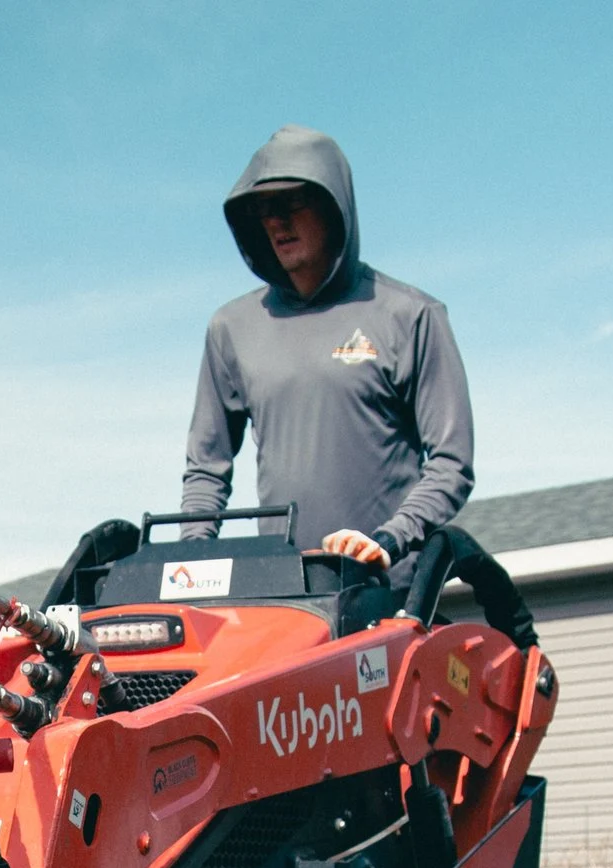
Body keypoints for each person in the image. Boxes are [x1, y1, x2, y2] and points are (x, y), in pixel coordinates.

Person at [179, 126, 535, 645]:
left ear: (334, 208)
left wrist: (389, 539)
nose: (277, 221)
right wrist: (192, 559)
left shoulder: (410, 316)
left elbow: (451, 464)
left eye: (294, 202)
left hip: (391, 608)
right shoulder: (231, 328)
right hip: (284, 612)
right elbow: (206, 467)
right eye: (264, 208)